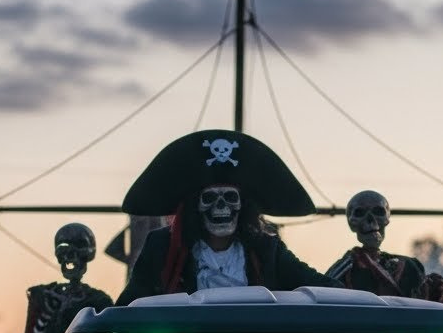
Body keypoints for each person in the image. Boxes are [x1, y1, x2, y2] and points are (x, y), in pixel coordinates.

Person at [116, 130, 338, 303]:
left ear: (243, 207)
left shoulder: (267, 249)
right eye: (209, 198)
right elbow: (132, 299)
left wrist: (363, 297)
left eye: (231, 197)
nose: (221, 206)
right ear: (196, 207)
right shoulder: (162, 245)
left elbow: (314, 283)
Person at [326, 190, 443, 302]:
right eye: (360, 213)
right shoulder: (344, 269)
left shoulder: (409, 266)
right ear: (352, 224)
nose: (370, 220)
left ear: (387, 219)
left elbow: (425, 304)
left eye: (378, 212)